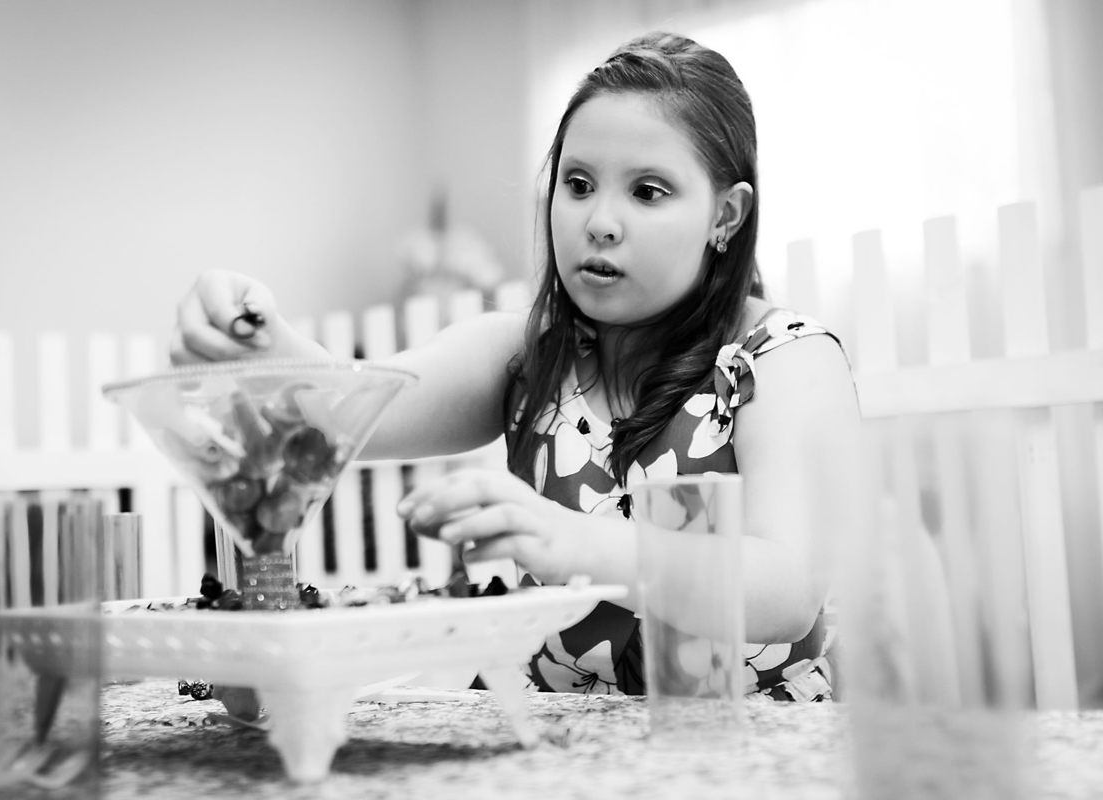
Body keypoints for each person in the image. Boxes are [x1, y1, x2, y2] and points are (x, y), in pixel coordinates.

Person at [172, 32, 861, 701]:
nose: (600, 221)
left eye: (648, 192)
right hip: (549, 757)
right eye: (579, 183)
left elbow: (785, 588)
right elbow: (343, 408)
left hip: (747, 761)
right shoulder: (526, 356)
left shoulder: (785, 361)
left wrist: (564, 538)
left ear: (727, 217)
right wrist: (265, 346)